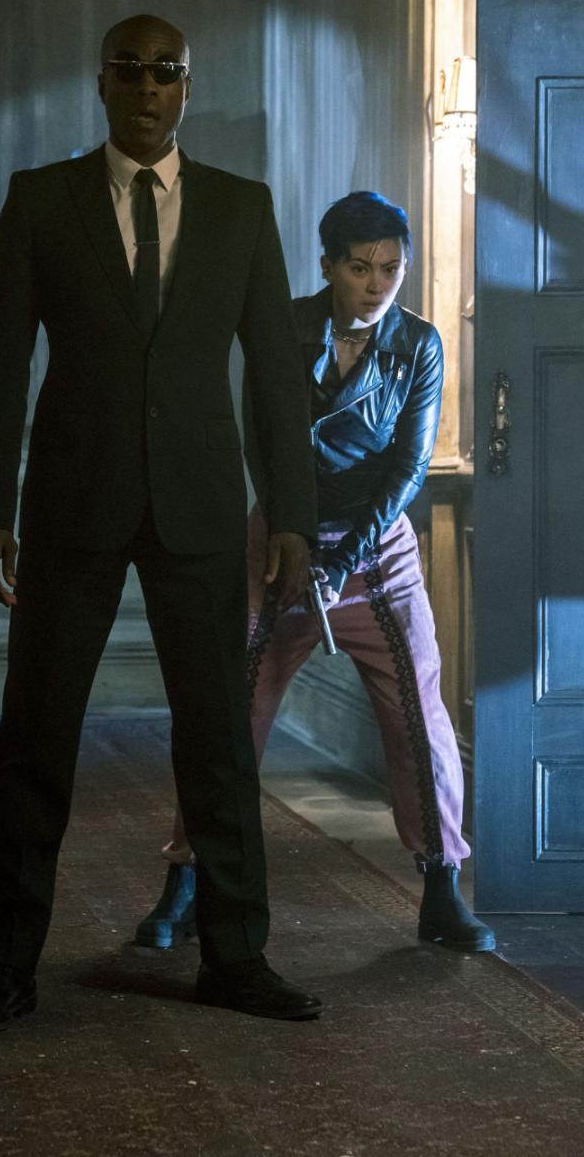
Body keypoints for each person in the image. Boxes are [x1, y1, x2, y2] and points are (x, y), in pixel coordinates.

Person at [0, 15, 324, 1035]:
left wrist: (291, 514)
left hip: (198, 505)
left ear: (186, 88)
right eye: (130, 70)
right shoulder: (41, 200)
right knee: (36, 736)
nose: (148, 87)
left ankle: (235, 956)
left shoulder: (240, 207)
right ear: (102, 83)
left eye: (166, 72)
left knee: (218, 741)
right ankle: (5, 966)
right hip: (71, 501)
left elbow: (275, 378)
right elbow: (2, 363)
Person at [132, 192, 496, 956]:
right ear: (327, 265)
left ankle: (440, 888)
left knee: (419, 717)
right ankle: (186, 879)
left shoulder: (417, 344)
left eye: (390, 268)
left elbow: (407, 467)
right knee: (228, 709)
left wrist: (345, 556)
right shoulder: (282, 324)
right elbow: (260, 441)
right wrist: (291, 536)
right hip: (278, 540)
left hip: (376, 548)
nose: (376, 284)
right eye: (359, 268)